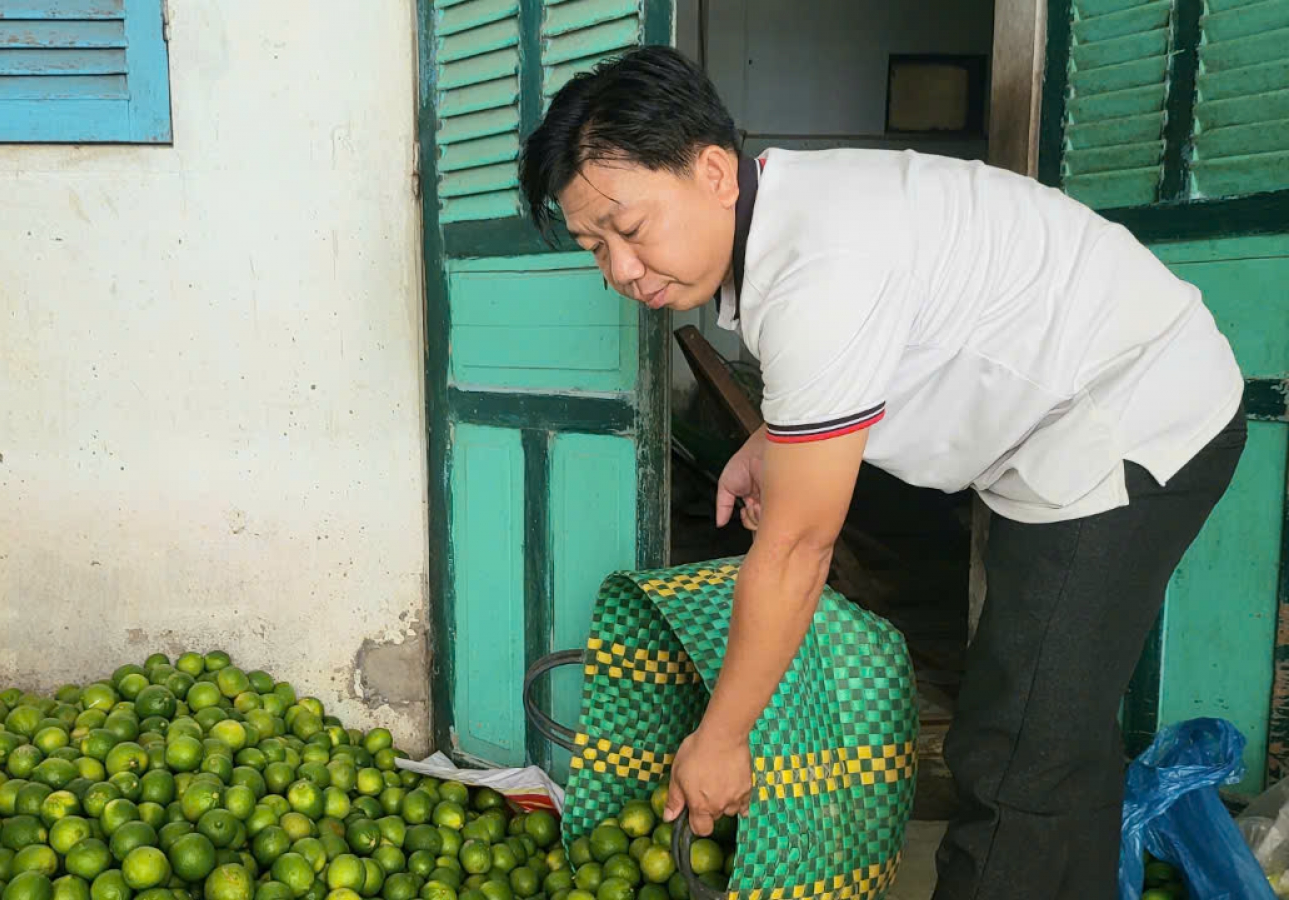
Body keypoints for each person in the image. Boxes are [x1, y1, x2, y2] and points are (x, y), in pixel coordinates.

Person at [516, 45, 1248, 899]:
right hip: (1064, 429)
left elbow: (796, 551)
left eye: (631, 231)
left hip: (1131, 421)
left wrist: (722, 737)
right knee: (1047, 733)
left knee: (1019, 753)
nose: (621, 272)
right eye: (593, 247)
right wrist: (776, 443)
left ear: (713, 171)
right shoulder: (788, 212)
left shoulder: (816, 269)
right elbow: (879, 348)